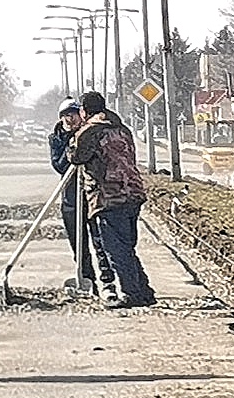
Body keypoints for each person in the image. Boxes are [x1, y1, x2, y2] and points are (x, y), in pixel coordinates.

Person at [64, 91, 157, 308]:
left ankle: (131, 293)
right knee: (126, 246)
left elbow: (76, 156)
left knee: (115, 248)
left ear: (84, 111)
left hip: (108, 196)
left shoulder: (90, 132)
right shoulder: (122, 128)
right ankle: (144, 291)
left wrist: (72, 139)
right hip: (133, 193)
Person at [47, 105, 95, 292]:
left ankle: (109, 281)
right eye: (66, 116)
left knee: (100, 240)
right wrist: (72, 148)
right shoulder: (56, 138)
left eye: (73, 115)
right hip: (71, 196)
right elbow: (58, 165)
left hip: (92, 195)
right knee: (78, 243)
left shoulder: (89, 133)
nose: (70, 119)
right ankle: (85, 277)